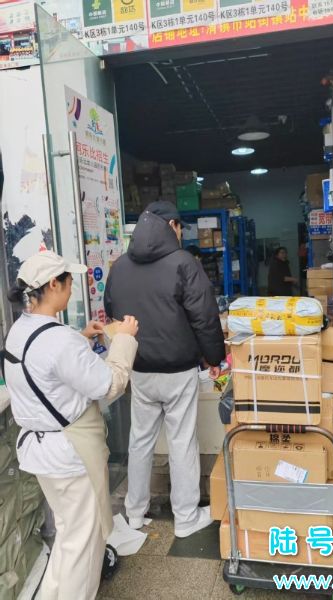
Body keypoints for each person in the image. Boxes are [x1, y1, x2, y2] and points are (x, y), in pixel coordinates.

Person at [1, 251, 139, 600]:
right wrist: (125, 338)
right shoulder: (60, 340)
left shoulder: (20, 330)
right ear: (53, 285)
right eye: (68, 281)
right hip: (70, 454)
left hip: (40, 452)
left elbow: (47, 362)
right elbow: (109, 384)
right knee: (85, 545)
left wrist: (82, 337)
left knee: (68, 534)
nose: (72, 287)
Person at [104, 200, 225, 536]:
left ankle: (135, 513)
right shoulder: (183, 263)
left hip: (139, 369)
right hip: (177, 371)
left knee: (140, 440)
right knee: (182, 441)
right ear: (172, 226)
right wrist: (214, 358)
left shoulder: (120, 266)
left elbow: (111, 307)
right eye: (180, 227)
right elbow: (204, 316)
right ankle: (185, 518)